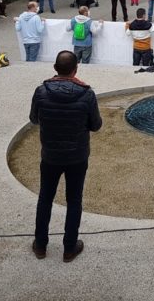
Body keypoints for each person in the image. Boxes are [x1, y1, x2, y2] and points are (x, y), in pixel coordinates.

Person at [30, 50, 102, 263]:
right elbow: (96, 125)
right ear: (76, 69)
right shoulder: (87, 94)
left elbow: (34, 119)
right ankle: (69, 248)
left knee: (45, 197)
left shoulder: (41, 91)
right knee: (74, 200)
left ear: (55, 68)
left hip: (50, 154)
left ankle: (40, 245)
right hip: (77, 155)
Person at [125, 8, 154, 72]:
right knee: (146, 67)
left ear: (137, 15)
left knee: (135, 66)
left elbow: (127, 33)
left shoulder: (132, 25)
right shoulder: (148, 24)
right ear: (144, 15)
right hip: (146, 49)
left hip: (136, 49)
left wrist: (127, 24)